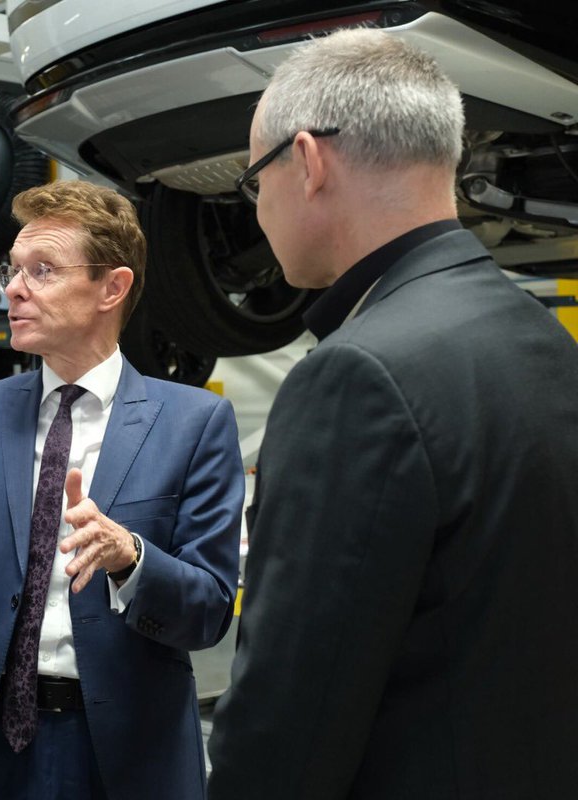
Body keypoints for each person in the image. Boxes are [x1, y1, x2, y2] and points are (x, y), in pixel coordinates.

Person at [207, 27, 578, 799]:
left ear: (306, 162)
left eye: (254, 183)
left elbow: (290, 719)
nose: (259, 211)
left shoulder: (355, 375)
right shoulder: (536, 334)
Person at [0, 180, 244, 799]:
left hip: (121, 748)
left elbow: (211, 609)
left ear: (111, 287)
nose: (13, 288)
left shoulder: (193, 424)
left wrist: (132, 559)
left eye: (43, 270)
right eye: (13, 270)